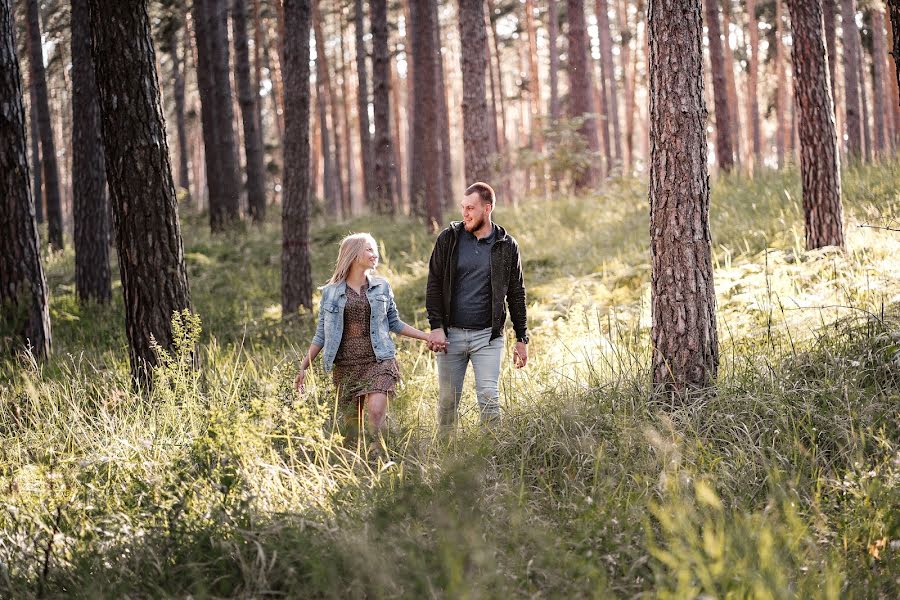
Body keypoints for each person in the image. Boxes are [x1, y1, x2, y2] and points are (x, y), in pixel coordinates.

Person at [295, 233, 434, 442]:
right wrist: (304, 366)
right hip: (346, 366)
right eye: (369, 249)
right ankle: (361, 465)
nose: (375, 254)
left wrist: (426, 336)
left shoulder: (382, 286)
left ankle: (378, 456)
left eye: (375, 249)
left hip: (379, 359)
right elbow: (321, 334)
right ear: (353, 254)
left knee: (376, 412)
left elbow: (394, 322)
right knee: (353, 429)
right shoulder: (331, 293)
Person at [425, 182, 529, 431]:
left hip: (488, 337)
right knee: (448, 405)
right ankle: (447, 462)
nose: (465, 214)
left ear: (487, 208)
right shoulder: (449, 238)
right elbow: (434, 284)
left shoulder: (506, 245)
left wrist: (521, 337)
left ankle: (492, 461)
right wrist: (436, 326)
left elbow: (516, 293)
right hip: (451, 336)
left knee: (489, 399)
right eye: (463, 208)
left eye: (471, 208)